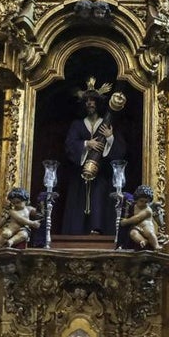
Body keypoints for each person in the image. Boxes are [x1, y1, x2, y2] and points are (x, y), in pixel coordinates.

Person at [62, 82, 127, 236]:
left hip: (101, 173)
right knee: (78, 202)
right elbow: (69, 145)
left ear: (98, 104)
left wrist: (110, 137)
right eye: (87, 101)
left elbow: (121, 150)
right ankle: (76, 233)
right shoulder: (77, 125)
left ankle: (98, 229)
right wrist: (86, 144)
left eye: (93, 101)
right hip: (80, 174)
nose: (90, 103)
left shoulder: (106, 123)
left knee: (100, 199)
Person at [120, 185, 165, 250]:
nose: (143, 203)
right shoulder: (134, 206)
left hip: (146, 227)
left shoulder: (148, 210)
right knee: (133, 233)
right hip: (137, 227)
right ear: (136, 199)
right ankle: (143, 240)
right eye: (141, 201)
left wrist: (125, 222)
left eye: (146, 202)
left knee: (150, 234)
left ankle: (156, 245)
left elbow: (137, 218)